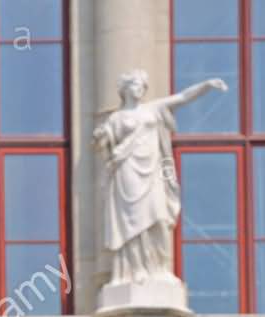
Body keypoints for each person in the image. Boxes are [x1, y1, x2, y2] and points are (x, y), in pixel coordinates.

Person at [93, 69, 227, 285]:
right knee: (130, 223)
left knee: (159, 218)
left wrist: (206, 85)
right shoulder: (116, 118)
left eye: (143, 86)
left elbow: (182, 98)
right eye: (136, 84)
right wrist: (101, 139)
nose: (140, 89)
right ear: (125, 89)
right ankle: (132, 270)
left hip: (152, 171)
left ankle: (158, 267)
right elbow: (106, 147)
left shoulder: (152, 109)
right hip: (126, 172)